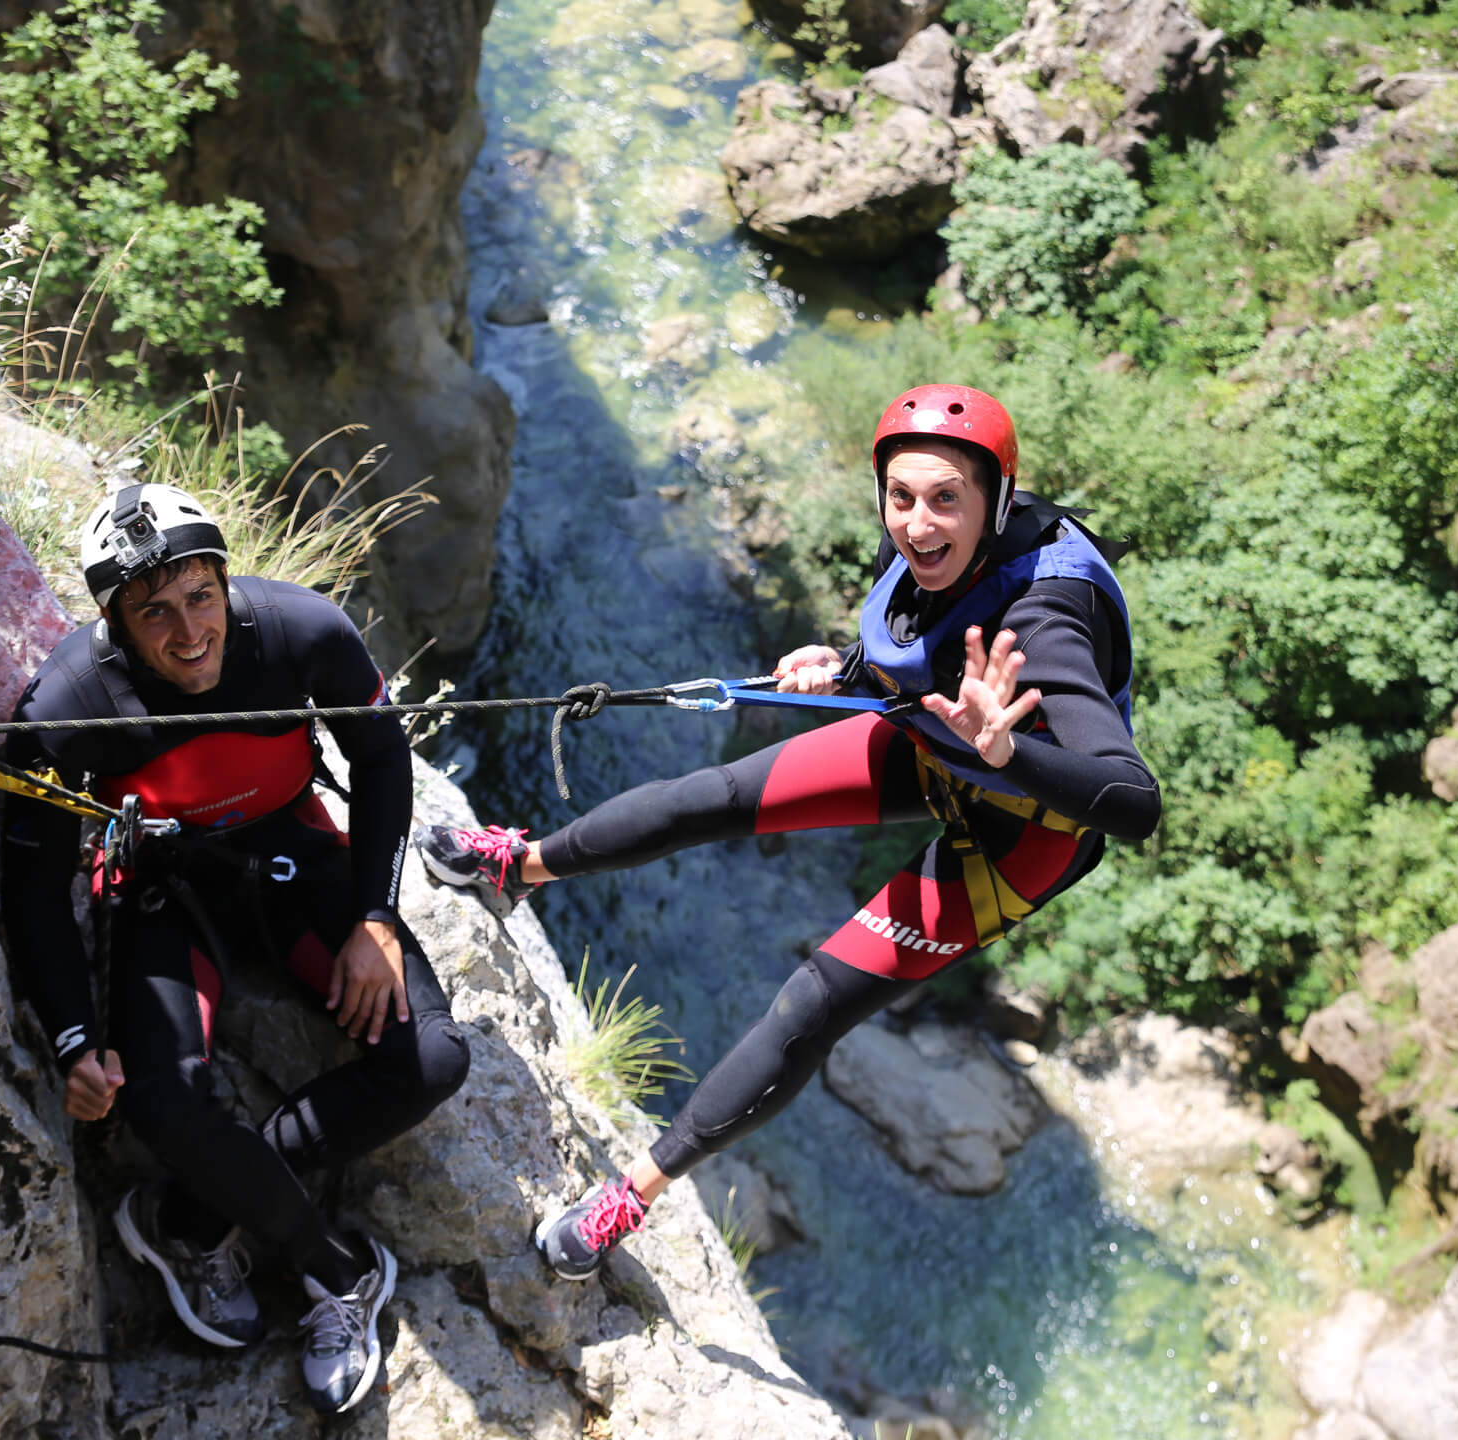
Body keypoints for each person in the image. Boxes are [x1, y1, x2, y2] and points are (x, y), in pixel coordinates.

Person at [418, 384, 1159, 1280]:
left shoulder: (1044, 621)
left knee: (810, 1005)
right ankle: (521, 869)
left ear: (997, 502)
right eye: (900, 497)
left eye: (944, 500)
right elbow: (923, 634)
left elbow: (1130, 798)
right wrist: (842, 666)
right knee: (715, 795)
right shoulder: (946, 557)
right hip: (944, 742)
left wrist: (1005, 756)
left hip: (1023, 835)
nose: (917, 524)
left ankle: (632, 1196)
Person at [0, 484, 470, 1413]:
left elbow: (380, 759)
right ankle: (340, 1270)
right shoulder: (64, 706)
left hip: (290, 847)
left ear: (224, 580)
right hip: (164, 885)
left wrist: (375, 916)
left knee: (432, 1057)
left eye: (200, 597)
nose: (186, 633)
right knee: (162, 1103)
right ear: (116, 621)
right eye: (153, 611)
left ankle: (191, 1214)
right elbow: (31, 884)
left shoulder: (304, 633)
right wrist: (70, 1037)